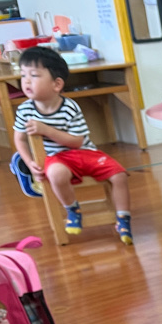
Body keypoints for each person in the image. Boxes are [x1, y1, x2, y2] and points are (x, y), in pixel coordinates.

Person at [12, 47, 133, 244]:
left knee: (119, 175)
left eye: (34, 75)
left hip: (84, 152)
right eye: (23, 75)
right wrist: (30, 163)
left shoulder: (69, 107)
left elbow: (77, 141)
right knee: (56, 174)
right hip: (55, 158)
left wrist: (46, 129)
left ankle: (123, 219)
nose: (25, 81)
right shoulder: (25, 110)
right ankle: (72, 209)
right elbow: (20, 139)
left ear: (57, 84)